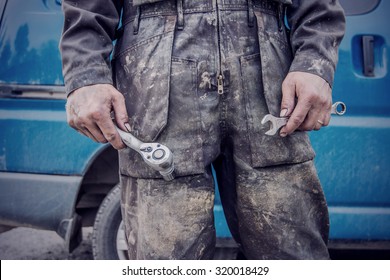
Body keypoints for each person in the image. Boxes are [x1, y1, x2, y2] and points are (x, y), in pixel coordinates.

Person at [60, 0, 345, 259]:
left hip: (268, 85)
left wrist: (314, 64)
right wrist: (85, 75)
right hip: (157, 80)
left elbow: (319, 7)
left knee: (293, 257)